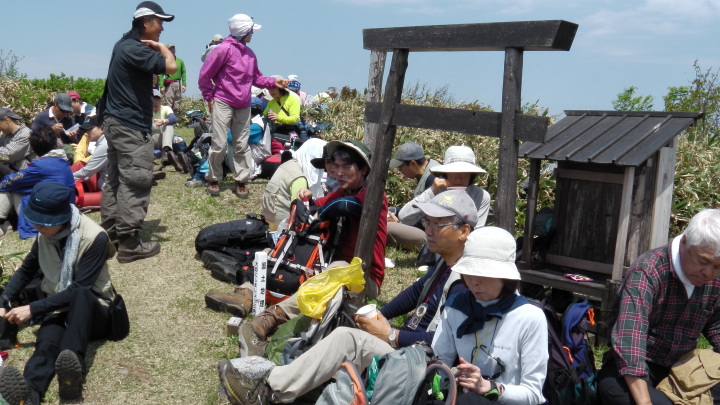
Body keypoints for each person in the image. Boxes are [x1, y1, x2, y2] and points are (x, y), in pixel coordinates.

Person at [219, 190, 478, 404]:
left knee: (347, 338)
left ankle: (268, 390)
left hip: (423, 364)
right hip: (408, 349)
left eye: (437, 224)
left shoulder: (468, 282)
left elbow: (448, 344)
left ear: (463, 231)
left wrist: (391, 335)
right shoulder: (446, 262)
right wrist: (380, 316)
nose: (428, 230)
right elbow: (414, 293)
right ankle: (288, 364)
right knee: (344, 308)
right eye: (426, 222)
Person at [205, 140, 387, 333]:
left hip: (364, 277)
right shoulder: (344, 191)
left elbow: (345, 206)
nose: (339, 173)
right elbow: (317, 205)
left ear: (363, 169)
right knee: (277, 250)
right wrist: (307, 198)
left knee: (336, 271)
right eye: (336, 166)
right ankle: (244, 294)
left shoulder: (373, 196)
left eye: (346, 167)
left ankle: (274, 316)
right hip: (332, 261)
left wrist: (319, 213)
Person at [0, 182, 120, 405]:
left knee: (80, 295)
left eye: (42, 222)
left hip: (94, 311)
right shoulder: (45, 235)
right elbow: (26, 270)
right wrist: (4, 300)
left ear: (61, 219)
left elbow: (79, 288)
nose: (36, 226)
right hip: (58, 309)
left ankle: (71, 381)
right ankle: (29, 395)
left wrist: (32, 309)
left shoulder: (95, 237)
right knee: (44, 348)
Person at [596, 208, 720, 405]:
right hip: (636, 369)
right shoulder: (647, 271)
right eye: (703, 261)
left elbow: (717, 326)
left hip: (685, 369)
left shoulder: (714, 278)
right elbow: (630, 339)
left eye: (717, 267)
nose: (709, 273)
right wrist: (644, 402)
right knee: (616, 392)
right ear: (685, 241)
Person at [432, 226, 548, 404]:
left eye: (484, 274)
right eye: (469, 273)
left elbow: (533, 394)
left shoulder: (530, 317)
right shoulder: (456, 307)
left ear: (506, 277)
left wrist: (490, 387)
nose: (474, 282)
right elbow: (440, 366)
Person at [98, 1, 177, 263]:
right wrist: (163, 49)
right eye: (159, 22)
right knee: (135, 180)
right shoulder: (134, 48)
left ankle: (111, 235)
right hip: (131, 125)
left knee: (115, 180)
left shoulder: (123, 45)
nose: (162, 28)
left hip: (115, 122)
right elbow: (171, 67)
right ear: (146, 22)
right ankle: (129, 243)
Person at [198, 13, 287, 198]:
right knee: (219, 143)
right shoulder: (223, 50)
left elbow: (256, 78)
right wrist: (209, 97)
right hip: (223, 100)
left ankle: (241, 181)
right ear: (243, 31)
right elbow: (205, 75)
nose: (252, 34)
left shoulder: (250, 54)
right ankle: (213, 178)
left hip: (243, 104)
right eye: (251, 31)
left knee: (241, 144)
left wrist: (273, 82)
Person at [394, 145, 491, 251]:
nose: (459, 177)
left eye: (465, 173)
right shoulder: (437, 190)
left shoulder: (481, 196)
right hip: (435, 243)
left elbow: (476, 232)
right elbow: (405, 217)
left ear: (471, 175)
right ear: (446, 173)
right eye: (454, 172)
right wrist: (431, 192)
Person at [0, 126, 75, 240]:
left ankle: (2, 223)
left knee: (11, 187)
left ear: (34, 147)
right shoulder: (62, 162)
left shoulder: (40, 166)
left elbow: (12, 181)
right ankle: (4, 224)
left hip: (47, 217)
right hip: (64, 211)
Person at [262, 138, 326, 230]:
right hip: (281, 227)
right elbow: (300, 211)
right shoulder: (299, 178)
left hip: (267, 221)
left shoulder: (290, 163)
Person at [386, 141, 439, 249]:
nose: (400, 171)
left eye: (401, 167)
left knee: (387, 228)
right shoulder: (427, 172)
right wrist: (393, 211)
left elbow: (430, 218)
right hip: (426, 229)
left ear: (413, 164)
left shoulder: (434, 179)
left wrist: (399, 223)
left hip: (432, 235)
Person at [72, 117, 109, 193]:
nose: (87, 132)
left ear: (102, 129)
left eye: (90, 129)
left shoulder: (104, 145)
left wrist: (64, 177)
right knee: (79, 164)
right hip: (103, 184)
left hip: (105, 190)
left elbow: (86, 172)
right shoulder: (104, 141)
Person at [150, 88, 180, 170]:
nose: (155, 102)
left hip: (162, 139)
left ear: (160, 100)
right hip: (150, 138)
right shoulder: (145, 110)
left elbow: (173, 119)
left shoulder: (166, 108)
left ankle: (166, 153)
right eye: (153, 99)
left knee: (169, 126)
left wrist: (163, 121)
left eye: (157, 99)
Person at [0, 108, 35, 176]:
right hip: (10, 172)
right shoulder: (5, 135)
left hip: (25, 175)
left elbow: (6, 155)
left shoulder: (25, 134)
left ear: (6, 120)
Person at [159, 43, 186, 111]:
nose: (172, 50)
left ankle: (175, 117)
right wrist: (161, 86)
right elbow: (161, 74)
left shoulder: (180, 61)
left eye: (173, 48)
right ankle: (168, 117)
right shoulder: (165, 61)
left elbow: (183, 72)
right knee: (168, 103)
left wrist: (184, 84)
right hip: (169, 84)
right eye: (170, 49)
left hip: (178, 83)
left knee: (177, 103)